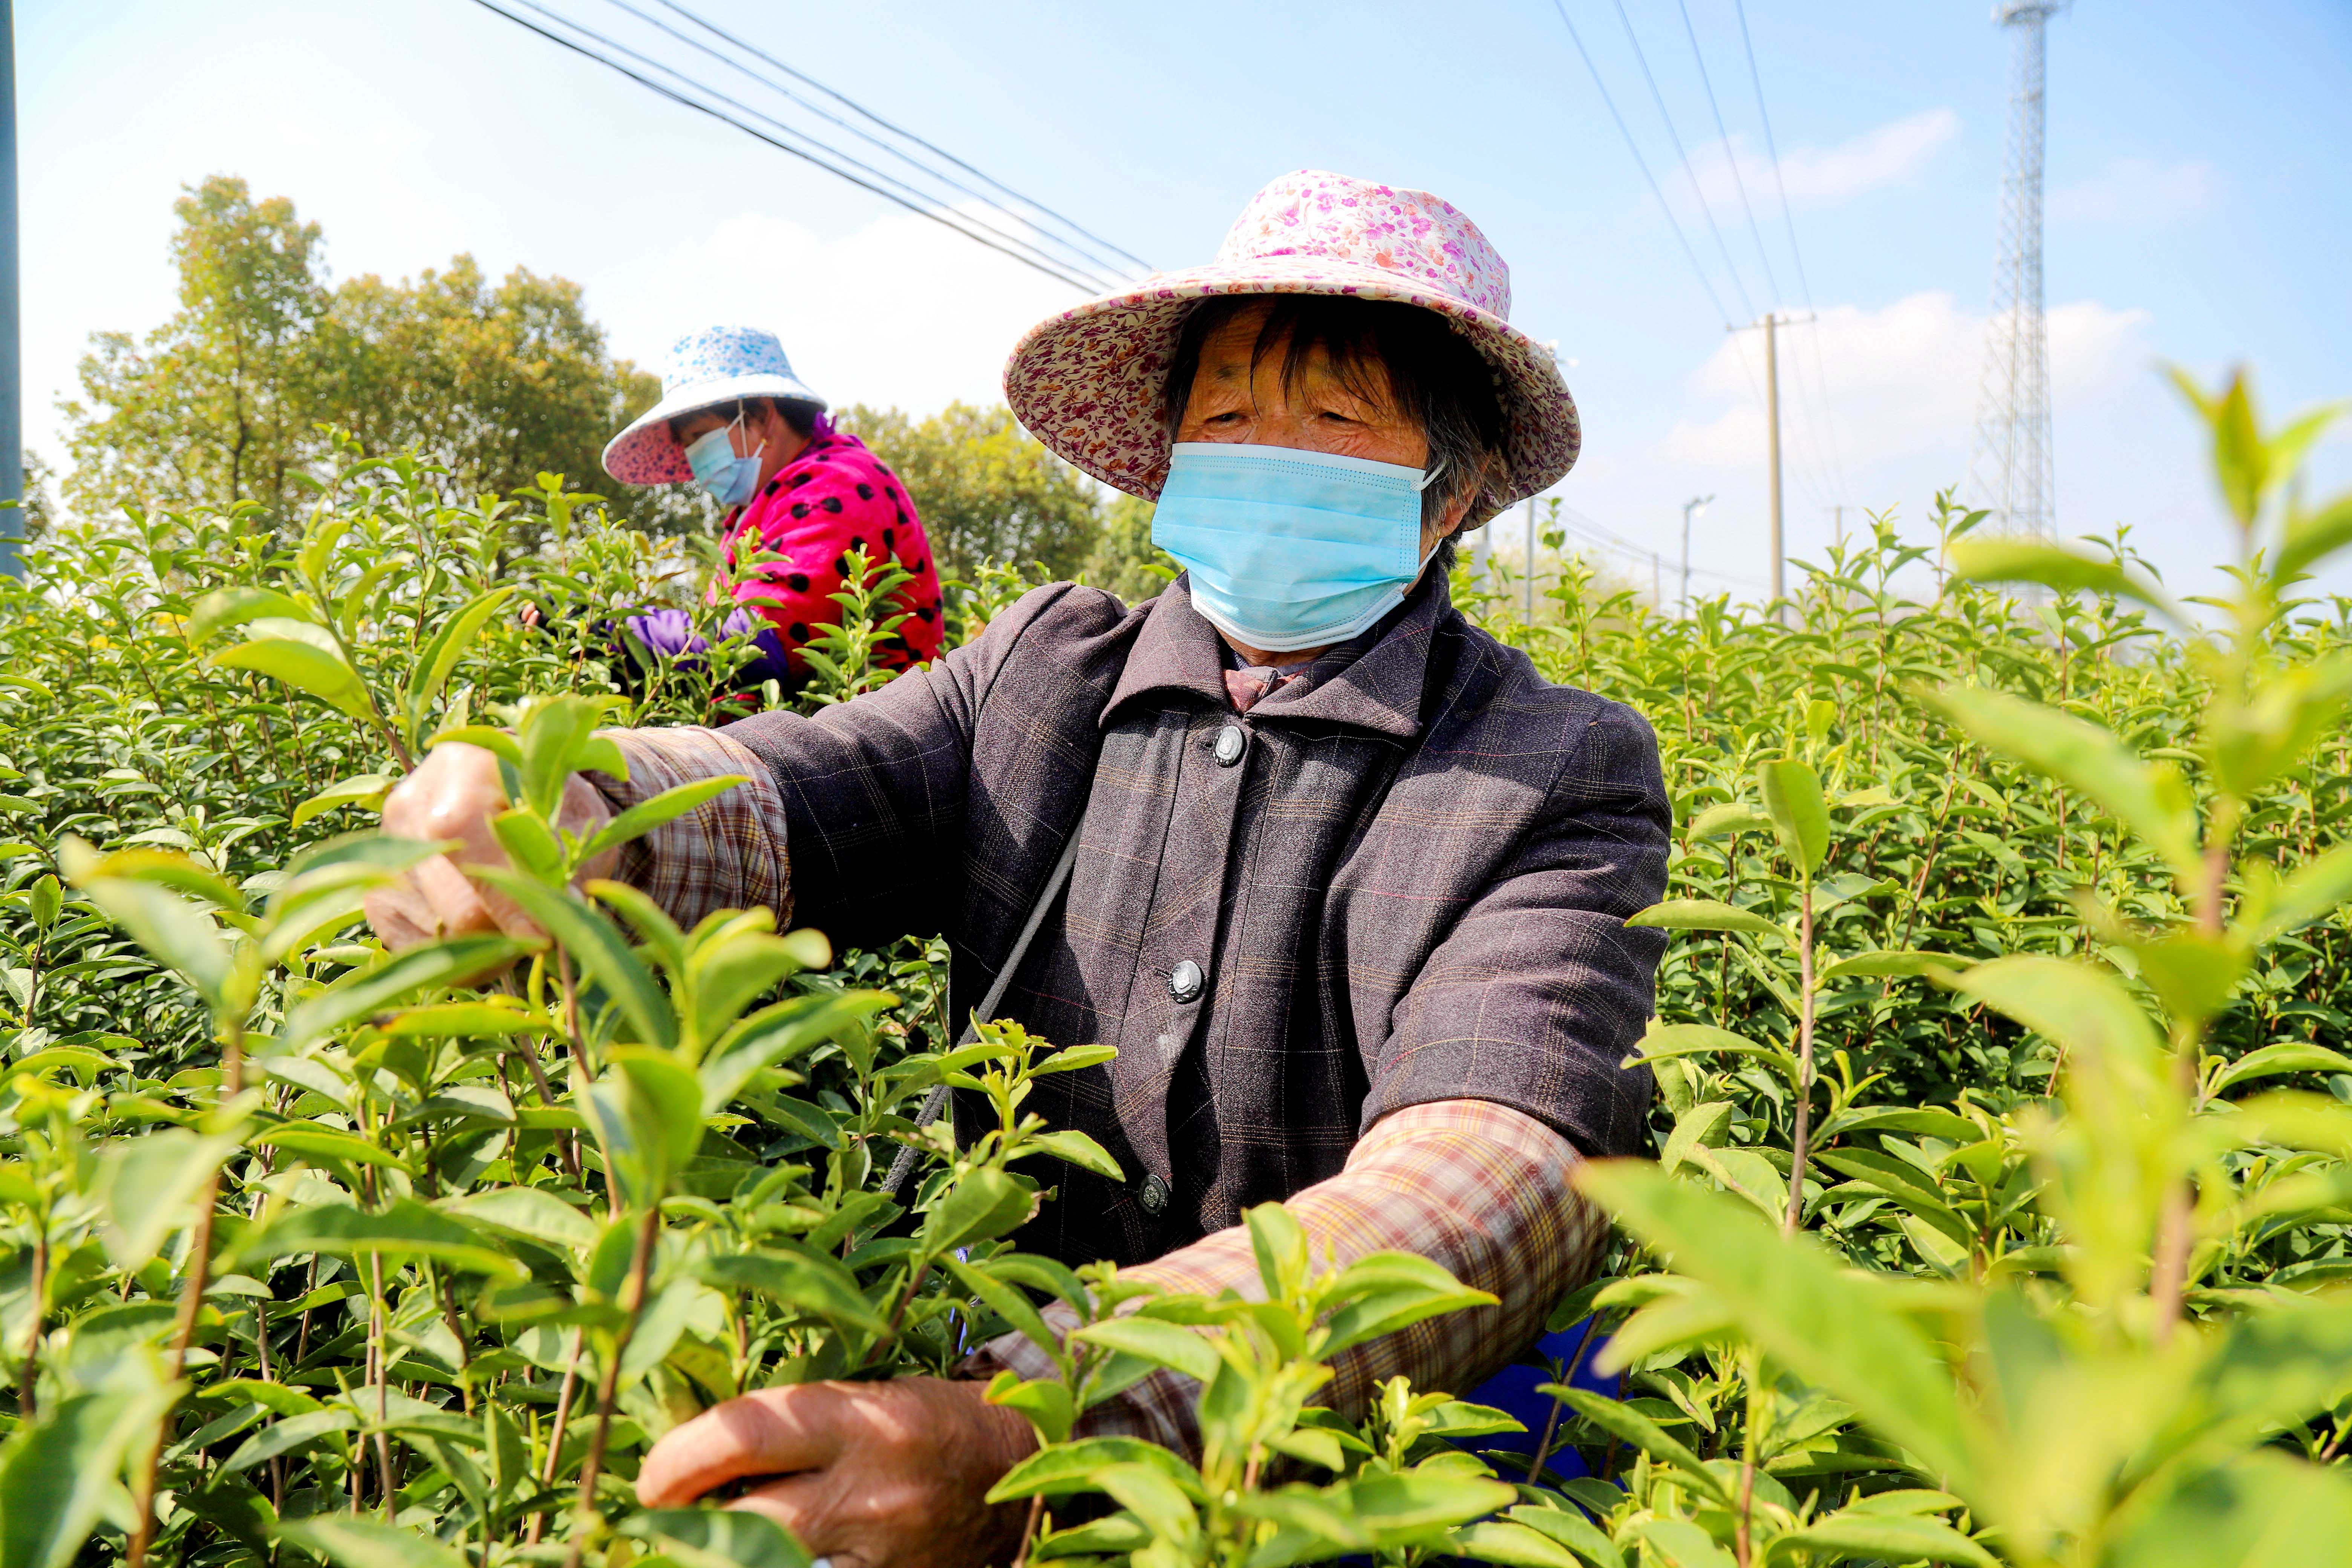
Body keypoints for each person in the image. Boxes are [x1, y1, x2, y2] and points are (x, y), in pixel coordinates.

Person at [366, 172, 1668, 1566]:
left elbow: (1487, 1176)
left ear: (1454, 487)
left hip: (1392, 1451)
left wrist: (1048, 1420)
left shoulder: (1550, 763)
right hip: (1003, 1363)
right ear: (1171, 456)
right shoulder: (1050, 670)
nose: (1267, 452)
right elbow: (803, 792)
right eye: (1226, 417)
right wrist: (570, 811)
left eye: (1337, 419)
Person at [596, 324, 947, 691]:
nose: (695, 457)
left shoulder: (835, 485)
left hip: (876, 740)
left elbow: (758, 643)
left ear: (762, 415)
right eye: (688, 445)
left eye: (701, 436)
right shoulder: (773, 500)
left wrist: (612, 630)